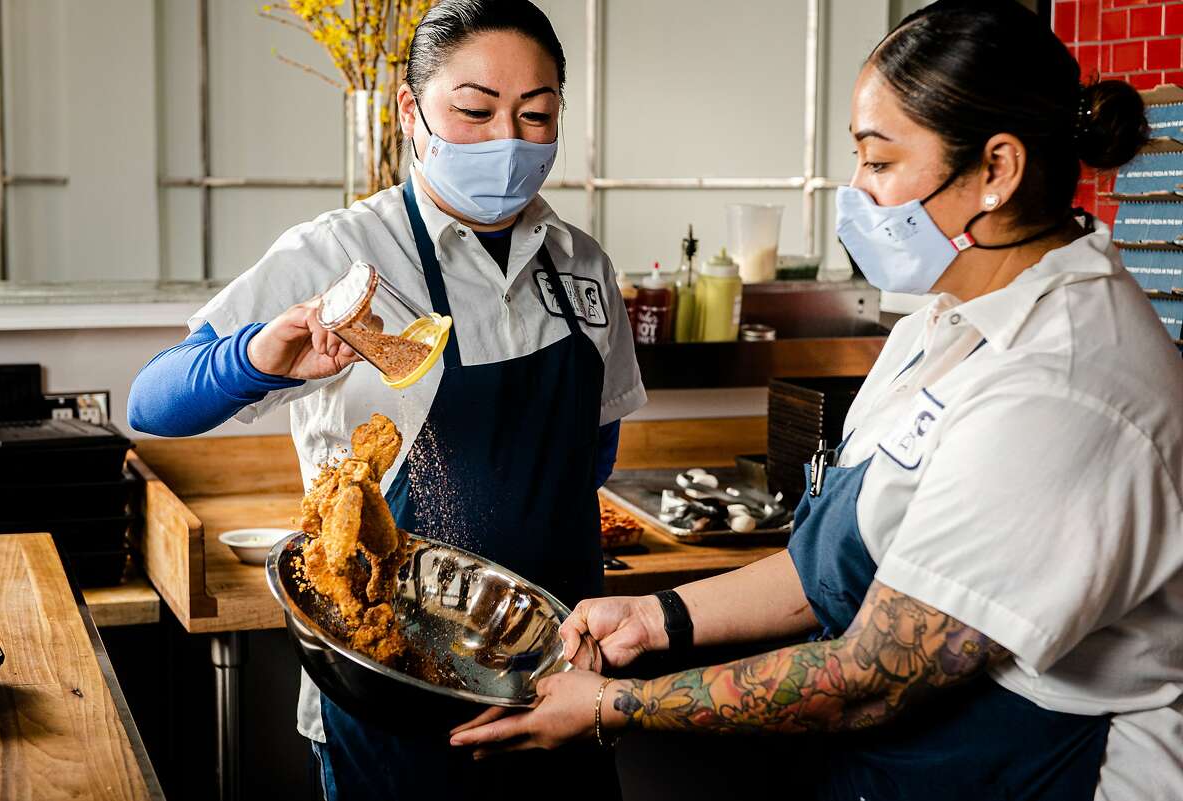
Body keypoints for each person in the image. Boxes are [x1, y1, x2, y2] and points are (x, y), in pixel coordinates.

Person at [450, 3, 1183, 799]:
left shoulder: (1063, 386)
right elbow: (823, 574)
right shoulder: (944, 318)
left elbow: (876, 672)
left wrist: (612, 706)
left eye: (878, 161)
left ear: (996, 171)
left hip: (1042, 773)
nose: (857, 194)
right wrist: (658, 616)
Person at [128, 1, 644, 797]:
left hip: (560, 679)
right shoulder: (340, 253)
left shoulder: (581, 265)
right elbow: (153, 401)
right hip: (393, 688)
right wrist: (260, 355)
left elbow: (594, 449)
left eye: (536, 116)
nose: (506, 140)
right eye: (474, 111)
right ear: (411, 111)